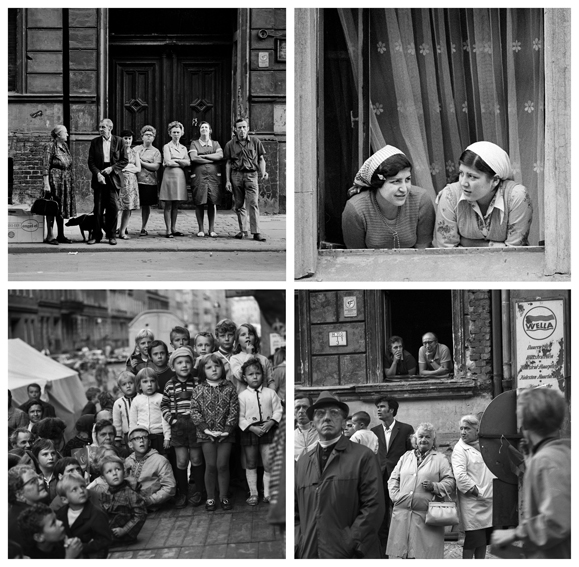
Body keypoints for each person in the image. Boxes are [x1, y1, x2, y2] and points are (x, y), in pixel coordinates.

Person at [295, 391, 384, 558]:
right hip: (310, 552)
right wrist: (299, 544)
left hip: (349, 553)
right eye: (320, 414)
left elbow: (373, 507)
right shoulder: (303, 462)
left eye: (334, 413)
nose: (327, 418)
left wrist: (351, 542)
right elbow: (294, 512)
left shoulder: (363, 457)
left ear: (344, 423)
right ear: (313, 423)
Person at [491, 387, 570, 558]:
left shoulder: (546, 460)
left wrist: (515, 533)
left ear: (525, 423)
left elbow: (557, 521)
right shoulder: (564, 452)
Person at [434, 141, 533, 247]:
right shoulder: (450, 195)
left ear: (495, 180)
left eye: (472, 176)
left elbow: (515, 252)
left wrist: (468, 243)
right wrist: (498, 246)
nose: (463, 183)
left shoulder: (516, 196)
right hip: (460, 263)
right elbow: (446, 251)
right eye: (461, 173)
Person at [342, 145, 435, 249]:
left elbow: (423, 251)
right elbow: (355, 256)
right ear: (378, 183)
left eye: (407, 179)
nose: (404, 189)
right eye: (396, 181)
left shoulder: (421, 200)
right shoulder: (356, 209)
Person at [386, 422, 456, 559]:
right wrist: (396, 496)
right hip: (403, 514)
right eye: (421, 436)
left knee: (424, 555)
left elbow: (450, 482)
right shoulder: (406, 456)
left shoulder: (440, 459)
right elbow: (393, 479)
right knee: (401, 554)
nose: (424, 440)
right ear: (415, 440)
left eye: (428, 437)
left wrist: (434, 486)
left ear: (433, 441)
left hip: (427, 516)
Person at [190, 353, 239, 511]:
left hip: (226, 434)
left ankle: (223, 497)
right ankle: (210, 498)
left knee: (222, 465)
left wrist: (227, 430)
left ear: (222, 368)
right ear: (203, 370)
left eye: (217, 366)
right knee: (210, 465)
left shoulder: (229, 387)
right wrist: (206, 429)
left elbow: (234, 410)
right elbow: (194, 411)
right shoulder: (199, 389)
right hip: (206, 435)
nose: (214, 369)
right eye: (209, 367)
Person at [160, 347, 205, 508]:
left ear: (192, 364)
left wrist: (199, 419)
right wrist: (172, 421)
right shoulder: (170, 385)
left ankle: (199, 491)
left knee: (196, 458)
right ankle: (183, 493)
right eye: (179, 362)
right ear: (173, 366)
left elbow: (203, 402)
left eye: (187, 362)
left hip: (195, 425)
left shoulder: (198, 382)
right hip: (178, 426)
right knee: (181, 461)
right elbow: (164, 405)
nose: (184, 365)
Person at [371, 397, 415, 552]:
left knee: (401, 511)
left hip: (400, 477)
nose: (378, 410)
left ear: (391, 410)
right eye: (378, 407)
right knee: (381, 513)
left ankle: (403, 547)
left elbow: (411, 453)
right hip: (380, 477)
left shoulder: (406, 429)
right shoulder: (373, 431)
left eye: (382, 407)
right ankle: (383, 550)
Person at [238, 357, 282, 506]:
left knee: (268, 462)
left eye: (258, 373)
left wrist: (271, 422)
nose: (255, 376)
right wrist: (251, 427)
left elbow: (278, 410)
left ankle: (268, 493)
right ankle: (253, 493)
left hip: (268, 429)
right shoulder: (242, 396)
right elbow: (239, 417)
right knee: (251, 462)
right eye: (251, 374)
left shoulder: (270, 393)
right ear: (244, 377)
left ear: (263, 375)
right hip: (250, 431)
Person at [452, 414, 496, 559]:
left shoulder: (484, 445)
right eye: (461, 428)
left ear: (477, 430)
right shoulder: (460, 449)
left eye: (467, 429)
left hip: (489, 502)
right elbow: (460, 476)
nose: (463, 432)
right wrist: (479, 492)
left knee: (482, 540)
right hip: (473, 503)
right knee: (471, 541)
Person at [224, 117, 269, 241]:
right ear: (235, 130)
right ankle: (243, 230)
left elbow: (261, 159)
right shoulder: (230, 144)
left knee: (253, 203)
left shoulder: (255, 142)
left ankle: (256, 232)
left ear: (248, 128)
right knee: (239, 204)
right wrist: (227, 180)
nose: (242, 130)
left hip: (251, 175)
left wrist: (263, 172)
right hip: (236, 175)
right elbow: (228, 163)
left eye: (244, 127)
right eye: (239, 128)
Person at [87, 118, 128, 245]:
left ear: (110, 128)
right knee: (98, 208)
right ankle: (96, 235)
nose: (100, 129)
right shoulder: (95, 142)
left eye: (103, 127)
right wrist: (98, 174)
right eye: (99, 127)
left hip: (113, 178)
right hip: (99, 177)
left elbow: (124, 160)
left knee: (113, 208)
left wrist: (112, 169)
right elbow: (91, 161)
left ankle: (111, 235)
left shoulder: (119, 141)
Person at [89, 454, 147, 544]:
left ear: (123, 472)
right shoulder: (104, 493)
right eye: (109, 471)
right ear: (103, 478)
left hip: (124, 535)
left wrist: (124, 530)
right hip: (109, 531)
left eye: (118, 469)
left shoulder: (131, 493)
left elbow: (140, 515)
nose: (114, 473)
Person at [55, 472, 113, 558]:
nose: (81, 491)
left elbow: (105, 540)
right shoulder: (60, 514)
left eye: (82, 486)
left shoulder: (97, 514)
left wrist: (82, 547)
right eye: (74, 489)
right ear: (65, 499)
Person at [124, 426, 176, 511]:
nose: (141, 440)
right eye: (137, 438)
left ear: (149, 442)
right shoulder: (127, 461)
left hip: (152, 506)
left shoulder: (159, 460)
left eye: (144, 437)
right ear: (130, 444)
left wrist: (150, 500)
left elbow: (170, 487)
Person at [189, 120, 224, 237]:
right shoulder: (194, 143)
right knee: (199, 201)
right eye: (202, 128)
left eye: (206, 127)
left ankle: (212, 229)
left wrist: (203, 156)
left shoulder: (216, 144)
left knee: (212, 202)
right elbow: (194, 158)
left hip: (213, 177)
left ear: (210, 131)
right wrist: (212, 159)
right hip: (199, 176)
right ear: (199, 130)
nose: (204, 129)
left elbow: (220, 156)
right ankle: (201, 229)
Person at [42, 125, 75, 244]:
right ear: (58, 135)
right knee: (52, 208)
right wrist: (46, 184)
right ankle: (50, 236)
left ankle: (61, 235)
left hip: (65, 181)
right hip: (54, 181)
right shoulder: (50, 146)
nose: (67, 135)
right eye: (65, 132)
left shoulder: (65, 146)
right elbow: (45, 166)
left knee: (60, 209)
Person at [17, 503, 83, 559]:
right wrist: (69, 558)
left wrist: (76, 551)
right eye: (53, 523)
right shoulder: (29, 558)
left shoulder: (59, 543)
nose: (60, 522)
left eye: (56, 518)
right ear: (39, 537)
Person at [159, 121, 190, 238]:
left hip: (180, 177)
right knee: (168, 204)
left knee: (176, 204)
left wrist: (176, 161)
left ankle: (174, 228)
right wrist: (181, 162)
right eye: (174, 132)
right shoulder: (167, 146)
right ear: (170, 133)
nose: (176, 134)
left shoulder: (183, 148)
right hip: (169, 177)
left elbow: (188, 162)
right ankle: (168, 230)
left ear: (181, 133)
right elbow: (167, 161)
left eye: (178, 132)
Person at [129, 368, 170, 454]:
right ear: (139, 385)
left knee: (161, 459)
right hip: (142, 438)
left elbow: (165, 419)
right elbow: (133, 422)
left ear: (157, 383)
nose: (149, 384)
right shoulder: (136, 400)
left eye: (152, 381)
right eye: (145, 382)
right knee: (144, 460)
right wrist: (131, 438)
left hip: (159, 436)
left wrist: (167, 437)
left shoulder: (161, 398)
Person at [133, 125, 162, 236]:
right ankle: (124, 227)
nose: (149, 137)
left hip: (149, 181)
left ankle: (143, 227)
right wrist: (146, 163)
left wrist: (141, 162)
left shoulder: (156, 152)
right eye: (146, 135)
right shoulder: (135, 149)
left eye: (151, 135)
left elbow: (155, 167)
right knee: (130, 205)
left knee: (146, 206)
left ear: (154, 138)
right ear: (142, 136)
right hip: (135, 181)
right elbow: (131, 162)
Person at [230, 323, 273, 394]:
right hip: (245, 401)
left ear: (255, 339)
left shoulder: (264, 359)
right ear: (238, 341)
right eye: (243, 335)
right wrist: (249, 354)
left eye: (250, 334)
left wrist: (272, 395)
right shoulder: (234, 359)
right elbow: (240, 376)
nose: (247, 336)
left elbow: (270, 381)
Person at [118, 129, 141, 239]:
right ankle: (113, 229)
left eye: (129, 139)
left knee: (128, 208)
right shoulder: (117, 152)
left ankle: (122, 231)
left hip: (131, 183)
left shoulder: (134, 152)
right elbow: (117, 167)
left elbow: (138, 168)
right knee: (117, 206)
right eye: (125, 138)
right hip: (119, 181)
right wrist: (128, 167)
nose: (127, 141)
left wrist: (130, 168)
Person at [112, 372, 137, 449]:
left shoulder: (141, 398)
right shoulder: (118, 403)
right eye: (124, 384)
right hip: (127, 435)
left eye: (131, 383)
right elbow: (117, 423)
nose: (128, 386)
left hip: (143, 432)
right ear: (120, 388)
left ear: (136, 384)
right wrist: (117, 439)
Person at [294, 394, 318, 461]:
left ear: (311, 409)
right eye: (297, 407)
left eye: (305, 407)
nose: (301, 411)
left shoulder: (322, 433)